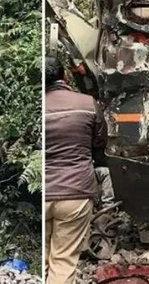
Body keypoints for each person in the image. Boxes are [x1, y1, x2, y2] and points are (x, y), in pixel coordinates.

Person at [44, 56, 108, 284]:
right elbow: (101, 142)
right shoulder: (87, 103)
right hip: (76, 193)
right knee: (62, 261)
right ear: (63, 76)